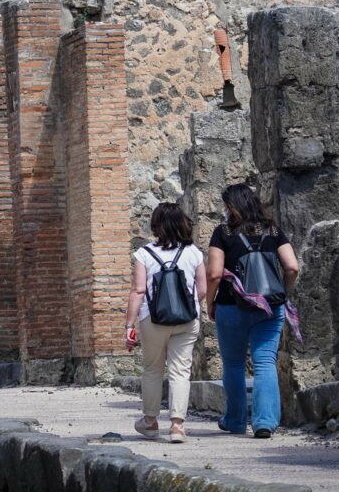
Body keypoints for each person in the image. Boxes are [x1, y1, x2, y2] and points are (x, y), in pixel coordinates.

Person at [206, 184, 299, 438]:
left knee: (234, 364)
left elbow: (214, 273)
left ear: (232, 206)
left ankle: (235, 421)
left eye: (226, 206)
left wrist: (210, 302)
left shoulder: (222, 233)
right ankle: (264, 422)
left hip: (230, 305)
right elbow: (292, 267)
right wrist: (283, 292)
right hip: (270, 307)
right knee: (265, 361)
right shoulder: (273, 230)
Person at [124, 202, 207, 443]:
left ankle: (150, 422)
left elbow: (138, 291)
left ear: (156, 225)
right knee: (181, 370)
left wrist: (129, 325)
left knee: (152, 369)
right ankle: (177, 427)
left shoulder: (144, 253)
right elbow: (201, 289)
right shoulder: (194, 253)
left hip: (153, 319)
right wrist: (186, 304)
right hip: (187, 319)